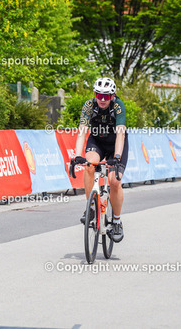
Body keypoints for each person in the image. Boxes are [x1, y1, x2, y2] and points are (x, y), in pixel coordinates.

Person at [70, 77, 128, 242]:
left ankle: (116, 221)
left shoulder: (118, 106)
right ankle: (91, 208)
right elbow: (82, 131)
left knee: (114, 181)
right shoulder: (89, 105)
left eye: (106, 96)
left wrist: (117, 157)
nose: (102, 99)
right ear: (95, 95)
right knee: (89, 166)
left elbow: (120, 134)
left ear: (112, 96)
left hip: (115, 144)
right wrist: (77, 155)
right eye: (99, 95)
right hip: (97, 142)